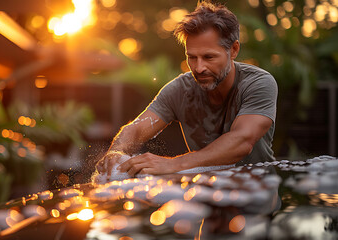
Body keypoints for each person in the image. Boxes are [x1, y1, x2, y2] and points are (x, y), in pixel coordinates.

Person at [96, 1, 278, 180]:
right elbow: (137, 129)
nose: (199, 68)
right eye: (192, 57)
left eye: (209, 57)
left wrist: (172, 164)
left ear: (234, 49)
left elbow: (241, 141)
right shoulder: (179, 90)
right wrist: (116, 152)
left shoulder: (259, 83)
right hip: (205, 195)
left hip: (256, 192)